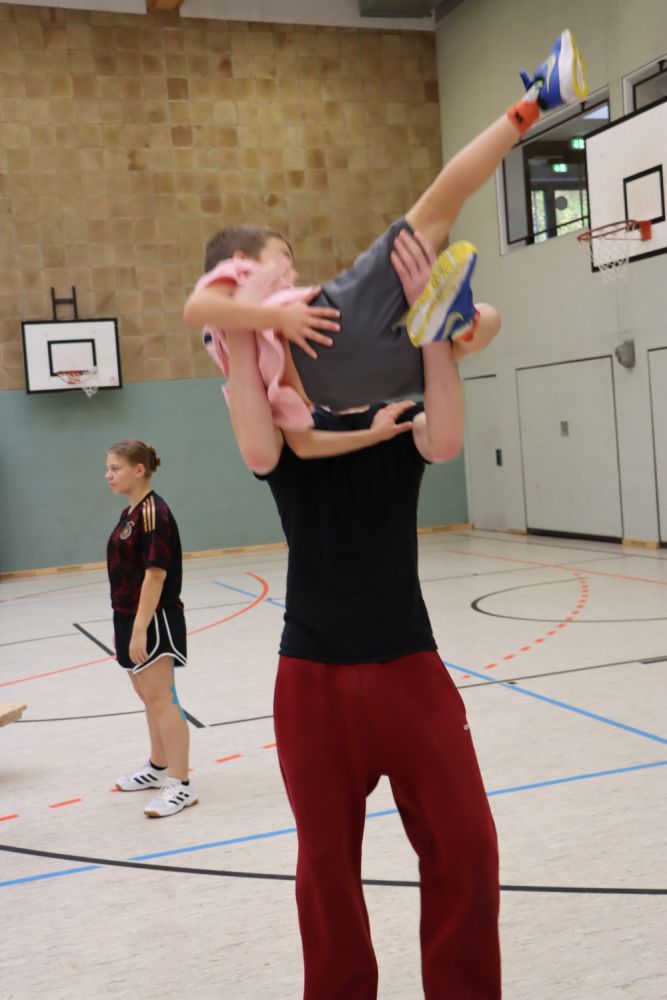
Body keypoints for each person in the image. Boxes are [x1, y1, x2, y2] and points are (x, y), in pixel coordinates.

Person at [222, 224, 500, 999]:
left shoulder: (396, 406)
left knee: (467, 847)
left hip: (409, 666)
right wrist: (247, 316)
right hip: (312, 680)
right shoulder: (280, 426)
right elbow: (249, 417)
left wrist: (436, 325)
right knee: (326, 873)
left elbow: (445, 438)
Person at [183, 29, 587, 428]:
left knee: (484, 324)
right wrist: (281, 318)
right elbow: (195, 308)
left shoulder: (228, 354)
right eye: (283, 258)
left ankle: (460, 323)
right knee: (437, 207)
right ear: (240, 260)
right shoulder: (237, 284)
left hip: (341, 391)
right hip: (326, 329)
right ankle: (537, 98)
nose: (293, 271)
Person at [105, 439, 196, 819]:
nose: (108, 475)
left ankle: (181, 785)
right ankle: (159, 767)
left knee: (163, 700)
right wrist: (125, 626)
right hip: (129, 617)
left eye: (115, 468)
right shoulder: (130, 513)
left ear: (138, 469)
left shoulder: (154, 514)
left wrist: (141, 628)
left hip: (154, 619)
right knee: (148, 697)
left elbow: (155, 575)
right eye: (108, 468)